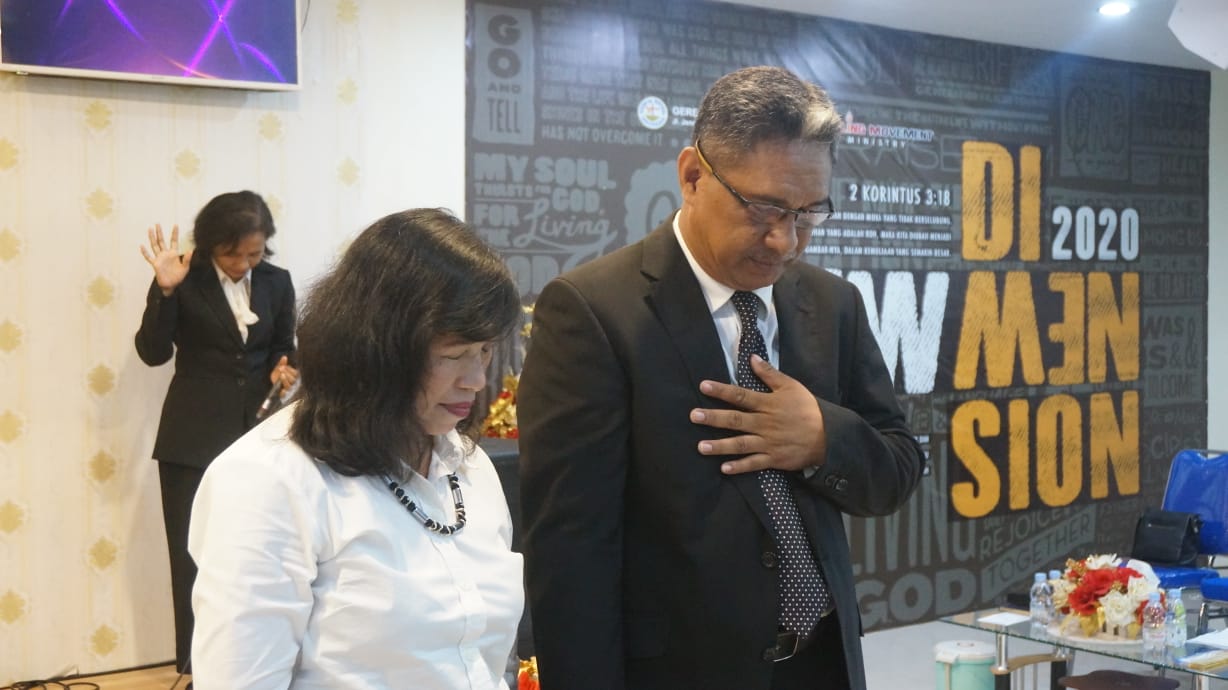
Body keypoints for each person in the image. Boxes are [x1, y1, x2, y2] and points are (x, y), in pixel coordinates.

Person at [518, 66, 926, 690]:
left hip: (822, 662)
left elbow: (896, 470)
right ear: (693, 176)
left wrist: (823, 439)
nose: (785, 241)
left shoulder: (832, 303)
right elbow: (571, 555)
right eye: (764, 208)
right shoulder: (594, 311)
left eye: (808, 213)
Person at [187, 208, 525, 689]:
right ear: (377, 349)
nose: (476, 380)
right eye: (453, 355)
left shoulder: (470, 469)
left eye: (486, 351)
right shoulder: (270, 480)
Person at [135, 190, 298, 674]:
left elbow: (284, 346)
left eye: (254, 254)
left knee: (257, 553)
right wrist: (164, 291)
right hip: (192, 437)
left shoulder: (277, 281)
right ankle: (196, 668)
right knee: (192, 555)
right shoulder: (184, 278)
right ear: (209, 245)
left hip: (258, 437)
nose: (243, 265)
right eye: (232, 255)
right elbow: (152, 352)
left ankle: (253, 664)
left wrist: (284, 368)